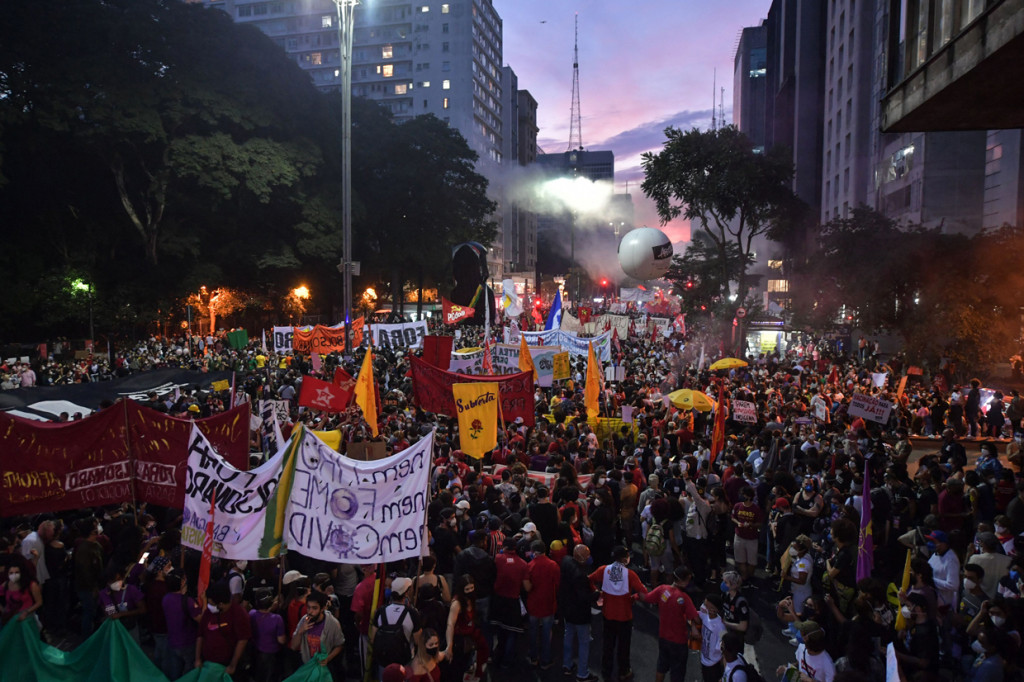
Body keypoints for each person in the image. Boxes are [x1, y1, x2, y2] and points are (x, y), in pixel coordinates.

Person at [589, 545, 648, 682]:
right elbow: (643, 592)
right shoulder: (630, 574)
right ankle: (624, 671)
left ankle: (606, 672)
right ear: (624, 558)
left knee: (608, 645)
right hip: (625, 616)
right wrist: (633, 598)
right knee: (624, 646)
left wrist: (597, 593)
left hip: (608, 614)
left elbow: (589, 579)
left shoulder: (603, 570)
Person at [641, 567, 699, 682]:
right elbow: (696, 619)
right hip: (679, 641)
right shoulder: (684, 598)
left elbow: (646, 598)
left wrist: (637, 592)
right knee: (677, 672)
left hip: (663, 637)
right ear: (684, 581)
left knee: (661, 666)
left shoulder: (662, 589)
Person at [559, 543, 598, 682]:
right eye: (587, 556)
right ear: (582, 558)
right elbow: (584, 597)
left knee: (568, 637)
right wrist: (596, 595)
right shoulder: (580, 575)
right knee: (584, 643)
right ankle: (582, 673)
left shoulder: (566, 562)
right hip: (580, 614)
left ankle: (567, 664)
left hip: (567, 609)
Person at [196, 582, 252, 676]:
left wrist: (232, 665)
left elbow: (242, 640)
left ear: (221, 604)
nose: (209, 606)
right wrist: (197, 659)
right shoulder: (208, 613)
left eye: (211, 604)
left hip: (226, 666)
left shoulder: (239, 614)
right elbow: (200, 635)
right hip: (208, 664)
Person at [370, 576, 421, 671]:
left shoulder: (380, 612)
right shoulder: (413, 613)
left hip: (383, 661)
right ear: (406, 593)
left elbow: (373, 639)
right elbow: (418, 641)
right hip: (405, 661)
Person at [444, 574, 489, 682]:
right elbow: (450, 624)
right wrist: (449, 645)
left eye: (472, 588)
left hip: (470, 636)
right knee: (457, 669)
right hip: (459, 641)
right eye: (467, 589)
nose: (470, 591)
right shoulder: (457, 603)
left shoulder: (472, 599)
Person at [524, 539, 560, 670]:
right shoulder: (553, 565)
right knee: (546, 632)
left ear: (534, 552)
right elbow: (558, 584)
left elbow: (527, 588)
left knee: (533, 631)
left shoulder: (530, 565)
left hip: (533, 604)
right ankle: (545, 659)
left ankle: (533, 657)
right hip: (549, 603)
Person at [292, 590, 345, 673]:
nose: (310, 611)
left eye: (314, 608)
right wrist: (300, 631)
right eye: (308, 607)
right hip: (307, 665)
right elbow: (294, 646)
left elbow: (339, 645)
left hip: (324, 667)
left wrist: (328, 658)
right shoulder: (304, 620)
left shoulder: (332, 623)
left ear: (323, 608)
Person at [162, 571, 201, 680]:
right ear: (182, 582)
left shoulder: (166, 598)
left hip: (172, 642)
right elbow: (200, 619)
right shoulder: (188, 602)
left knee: (175, 671)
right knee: (188, 673)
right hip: (188, 643)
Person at [73, 518, 104, 636]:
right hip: (87, 588)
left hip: (96, 585)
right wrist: (93, 587)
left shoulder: (96, 545)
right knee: (89, 612)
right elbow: (85, 572)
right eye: (96, 526)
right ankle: (87, 637)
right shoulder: (84, 550)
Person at [98, 565, 146, 642]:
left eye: (119, 579)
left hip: (130, 628)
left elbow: (143, 609)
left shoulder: (131, 590)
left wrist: (122, 614)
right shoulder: (104, 594)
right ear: (107, 582)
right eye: (113, 581)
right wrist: (110, 615)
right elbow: (105, 610)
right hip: (113, 630)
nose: (117, 582)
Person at [249, 589, 286, 682]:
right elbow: (281, 640)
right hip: (271, 655)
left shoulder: (252, 614)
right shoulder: (277, 619)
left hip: (255, 652)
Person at [731, 486, 763, 582]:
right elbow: (733, 517)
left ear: (749, 496)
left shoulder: (756, 509)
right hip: (739, 537)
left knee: (752, 562)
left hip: (751, 539)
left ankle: (749, 577)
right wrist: (738, 523)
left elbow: (760, 524)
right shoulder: (737, 506)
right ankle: (744, 578)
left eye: (743, 494)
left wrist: (751, 524)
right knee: (741, 560)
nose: (741, 496)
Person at [0, 557, 42, 626]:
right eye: (11, 573)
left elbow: (39, 602)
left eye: (17, 572)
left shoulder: (31, 585)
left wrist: (26, 612)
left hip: (26, 620)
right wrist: (3, 610)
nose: (14, 575)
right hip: (9, 619)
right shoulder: (6, 584)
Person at [698, 594, 726, 682]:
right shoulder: (705, 615)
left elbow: (722, 645)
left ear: (714, 609)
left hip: (713, 664)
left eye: (706, 605)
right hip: (704, 660)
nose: (703, 607)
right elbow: (695, 614)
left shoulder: (721, 626)